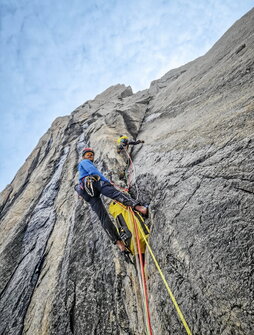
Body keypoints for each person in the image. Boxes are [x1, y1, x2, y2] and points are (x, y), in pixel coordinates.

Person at [75, 147, 148, 253]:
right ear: (83, 156)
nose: (90, 155)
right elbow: (93, 171)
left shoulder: (81, 171)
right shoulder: (84, 162)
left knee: (103, 217)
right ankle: (141, 209)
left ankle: (119, 244)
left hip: (87, 192)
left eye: (91, 154)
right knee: (115, 194)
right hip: (92, 182)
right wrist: (106, 182)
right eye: (88, 154)